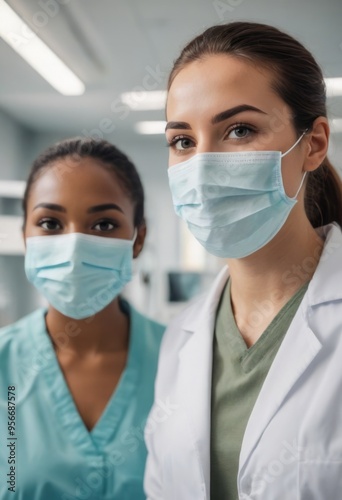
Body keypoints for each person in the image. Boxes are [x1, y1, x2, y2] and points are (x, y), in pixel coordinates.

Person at [144, 21, 342, 500]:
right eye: (183, 141)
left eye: (239, 130)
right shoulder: (180, 338)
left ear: (313, 144)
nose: (203, 165)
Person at [0, 137, 165, 500]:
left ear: (138, 239)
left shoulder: (184, 359)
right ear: (25, 237)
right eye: (50, 223)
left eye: (104, 225)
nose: (74, 246)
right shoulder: (5, 364)